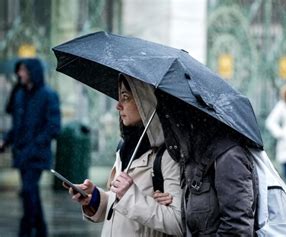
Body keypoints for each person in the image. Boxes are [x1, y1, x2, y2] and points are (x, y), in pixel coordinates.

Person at [66, 74, 183, 236]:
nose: (118, 106)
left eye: (126, 98)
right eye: (119, 97)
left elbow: (177, 223)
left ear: (147, 102)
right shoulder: (125, 147)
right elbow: (119, 205)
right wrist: (93, 199)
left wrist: (129, 194)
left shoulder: (168, 156)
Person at [154, 87, 258, 236]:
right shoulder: (192, 157)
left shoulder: (228, 157)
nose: (171, 124)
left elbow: (237, 228)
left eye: (172, 114)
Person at [0, 58, 61, 237]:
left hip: (37, 155)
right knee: (30, 192)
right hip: (21, 153)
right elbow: (17, 125)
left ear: (33, 72)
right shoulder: (20, 94)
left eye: (24, 70)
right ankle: (41, 229)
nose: (20, 74)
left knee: (28, 190)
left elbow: (54, 126)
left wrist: (36, 145)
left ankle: (25, 230)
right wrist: (6, 140)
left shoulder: (48, 95)